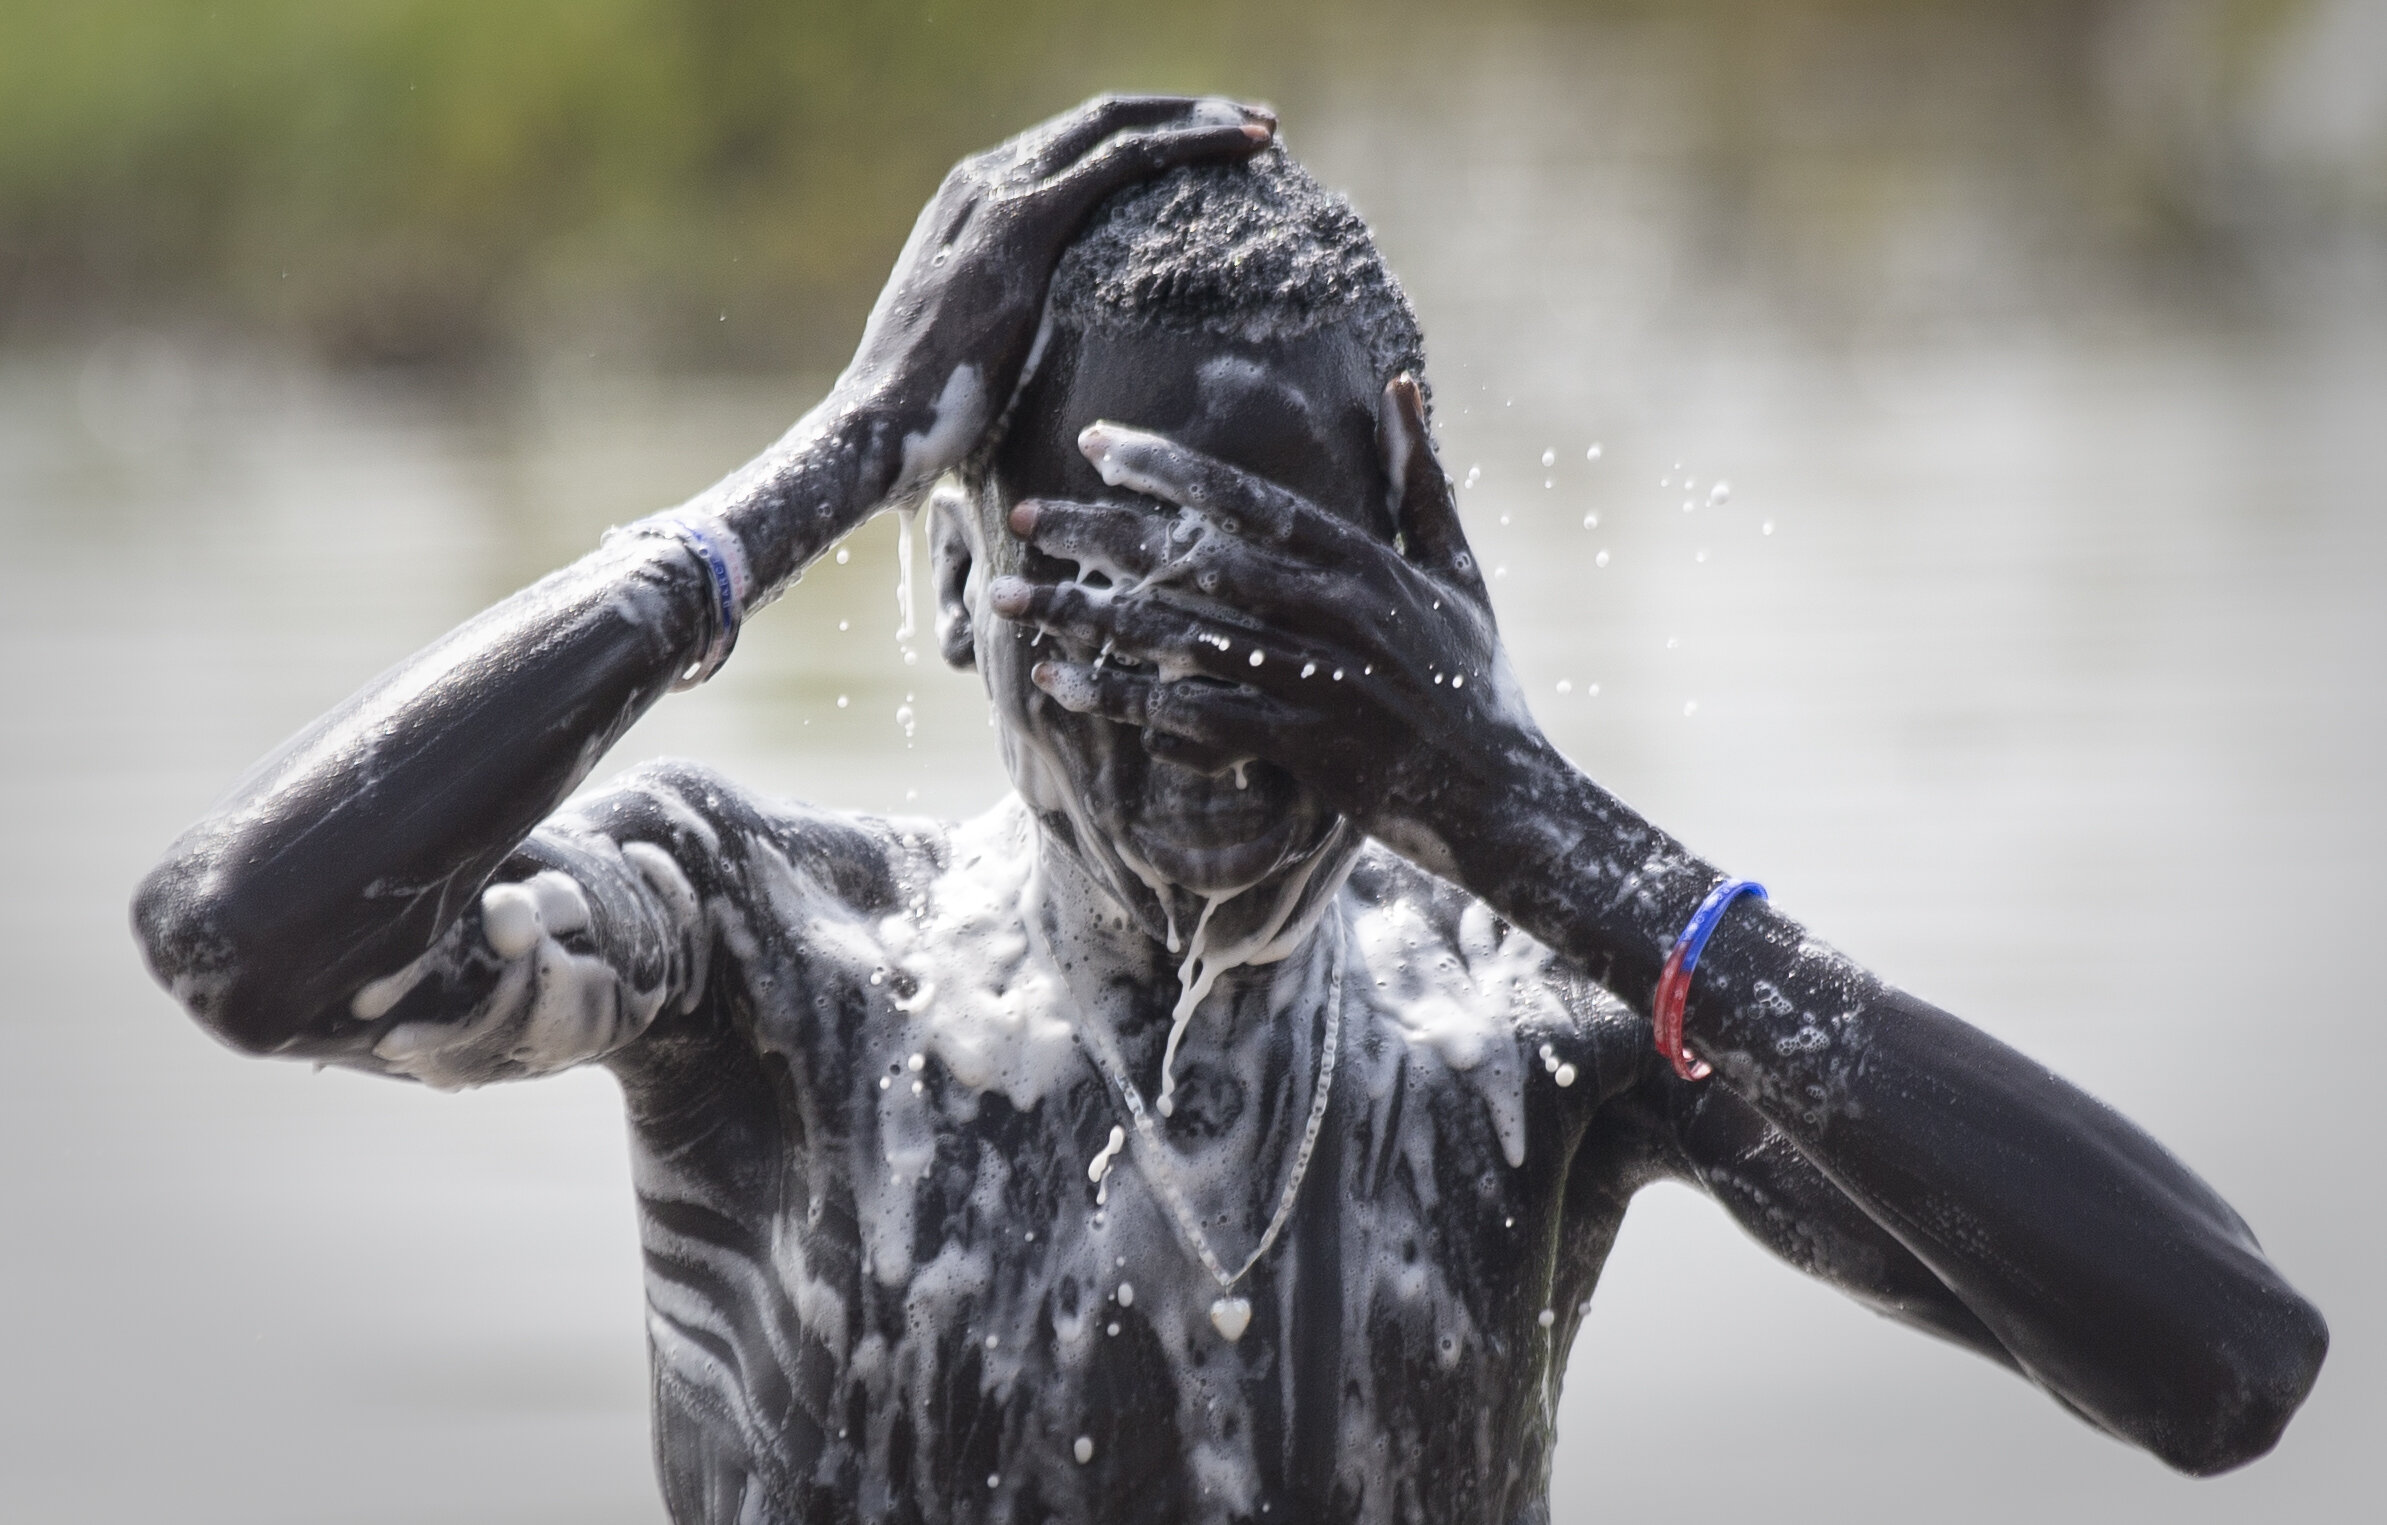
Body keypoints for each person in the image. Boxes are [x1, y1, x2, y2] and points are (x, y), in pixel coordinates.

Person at [133, 96, 2326, 1525]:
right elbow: (252, 940)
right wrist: (827, 458)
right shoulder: (769, 958)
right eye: (1116, 607)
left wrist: (1529, 813)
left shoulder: (1532, 1036)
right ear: (963, 582)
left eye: (1291, 633)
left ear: (1415, 620)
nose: (1206, 723)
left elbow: (2218, 1363)